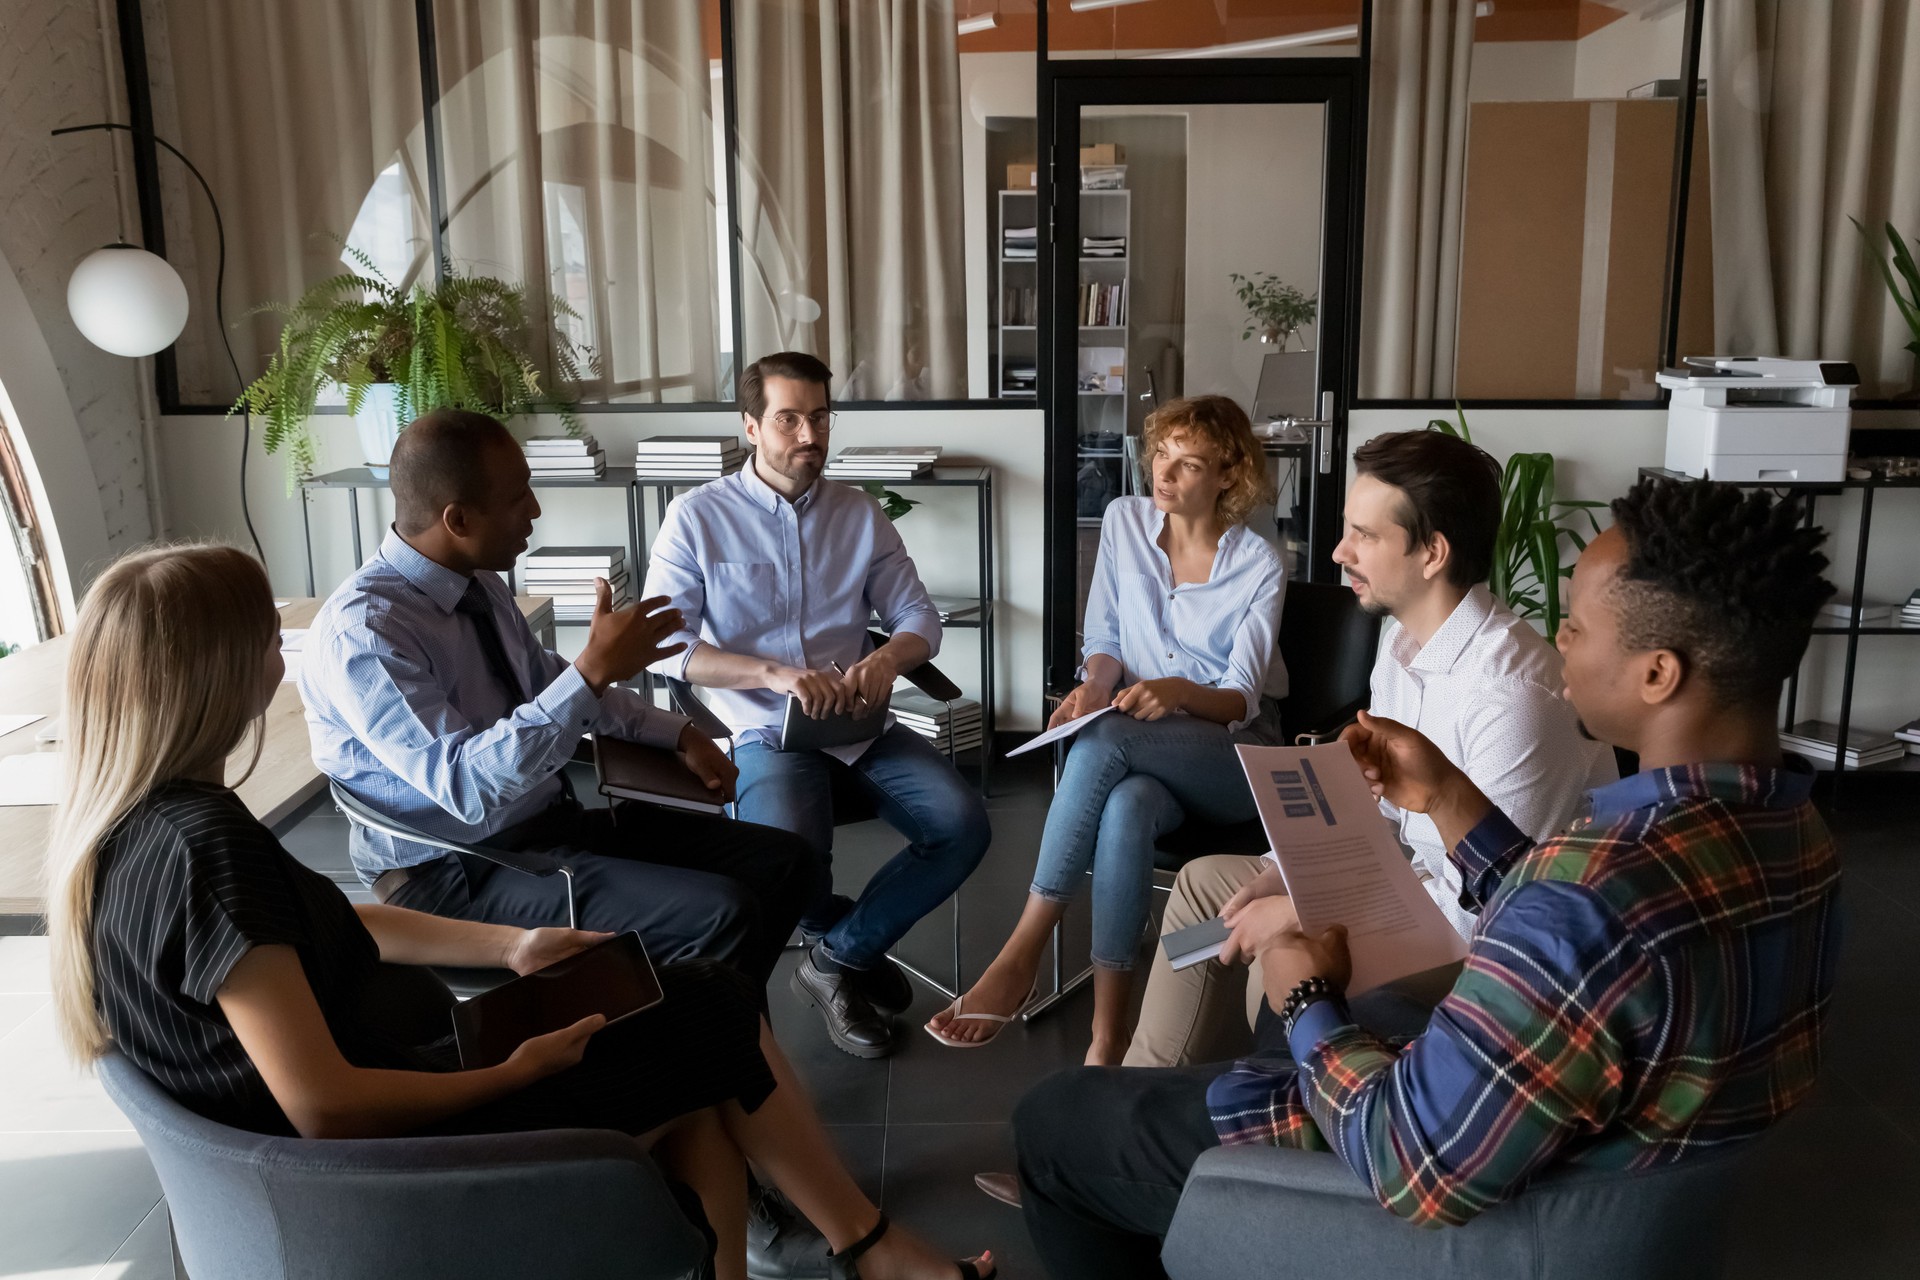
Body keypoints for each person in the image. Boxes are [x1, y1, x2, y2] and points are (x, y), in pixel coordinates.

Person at [45, 544, 992, 1280]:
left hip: (388, 1103)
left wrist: (515, 945)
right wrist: (516, 1069)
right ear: (215, 672)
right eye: (264, 639)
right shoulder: (204, 849)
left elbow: (327, 923)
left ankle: (846, 1249)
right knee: (706, 1010)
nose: (281, 657)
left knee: (699, 1053)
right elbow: (327, 1109)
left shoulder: (126, 836)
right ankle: (873, 1247)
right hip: (399, 1163)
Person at [1010, 475, 1842, 1279]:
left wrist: (1305, 998)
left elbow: (1411, 1162)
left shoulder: (1592, 896)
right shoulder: (1794, 839)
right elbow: (1579, 949)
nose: (1560, 642)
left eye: (1580, 630)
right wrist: (1450, 802)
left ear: (1659, 674)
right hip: (1593, 1174)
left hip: (1469, 1204)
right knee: (1259, 1047)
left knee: (1055, 1122)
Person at [1123, 429, 1617, 1069]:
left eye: (1365, 536)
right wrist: (1286, 871)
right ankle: (1143, 1088)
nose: (1338, 552)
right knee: (1203, 887)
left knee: (1285, 948)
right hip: (1403, 886)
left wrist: (1302, 908)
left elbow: (1490, 915)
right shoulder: (1403, 645)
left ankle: (1245, 1129)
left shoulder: (1513, 695)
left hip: (1479, 946)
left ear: (1432, 553)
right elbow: (1380, 817)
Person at [300, 409, 818, 1000]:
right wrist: (593, 670)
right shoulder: (366, 634)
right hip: (451, 873)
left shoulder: (478, 581)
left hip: (543, 828)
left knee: (786, 864)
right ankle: (693, 1059)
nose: (536, 510)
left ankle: (704, 1046)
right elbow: (465, 790)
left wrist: (677, 733)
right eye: (519, 496)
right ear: (458, 519)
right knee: (721, 915)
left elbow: (547, 683)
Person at [642, 352, 991, 1059]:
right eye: (789, 419)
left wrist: (887, 659)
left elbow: (920, 619)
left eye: (821, 417)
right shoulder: (697, 518)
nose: (809, 434)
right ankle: (849, 950)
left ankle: (834, 962)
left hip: (859, 725)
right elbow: (665, 645)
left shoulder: (860, 514)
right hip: (762, 728)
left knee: (963, 826)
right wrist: (775, 674)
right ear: (751, 426)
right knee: (793, 862)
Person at [927, 395, 1286, 1066]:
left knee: (1106, 739)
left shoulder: (1258, 564)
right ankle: (1107, 1038)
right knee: (1126, 808)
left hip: (1236, 756)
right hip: (1147, 749)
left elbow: (1240, 697)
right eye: (1160, 456)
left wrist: (1179, 691)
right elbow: (1106, 634)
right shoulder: (1123, 522)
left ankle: (1022, 951)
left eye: (1188, 464)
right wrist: (1095, 683)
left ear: (1229, 475)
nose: (1165, 474)